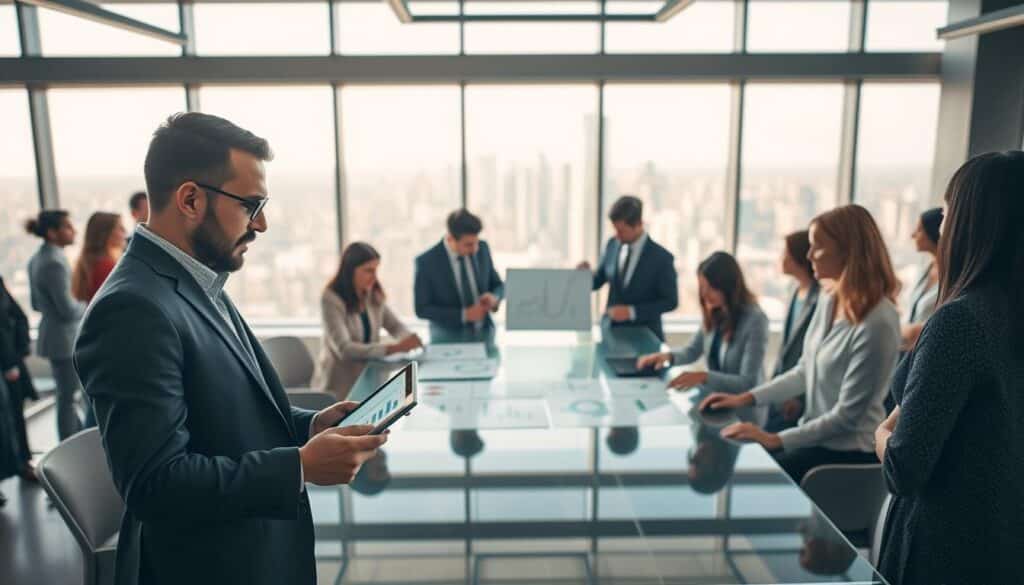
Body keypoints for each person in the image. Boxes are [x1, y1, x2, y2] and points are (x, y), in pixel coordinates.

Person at [74, 112, 386, 585]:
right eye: (251, 204)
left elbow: (222, 418)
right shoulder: (132, 309)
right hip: (208, 565)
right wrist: (298, 467)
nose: (261, 224)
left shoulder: (197, 279)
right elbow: (157, 484)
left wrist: (308, 425)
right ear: (191, 199)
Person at [875, 151, 1024, 584]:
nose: (942, 224)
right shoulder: (1009, 313)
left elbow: (904, 469)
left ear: (975, 223)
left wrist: (881, 433)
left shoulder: (960, 321)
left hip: (942, 553)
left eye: (947, 211)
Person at [700, 205, 901, 484]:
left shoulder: (879, 321)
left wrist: (774, 439)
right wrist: (744, 398)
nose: (808, 256)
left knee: (751, 477)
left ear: (847, 251)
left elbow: (846, 417)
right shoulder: (829, 300)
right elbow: (804, 371)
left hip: (846, 453)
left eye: (817, 248)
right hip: (814, 440)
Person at [637, 252, 768, 396]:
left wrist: (703, 376)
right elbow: (692, 351)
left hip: (743, 412)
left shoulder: (756, 320)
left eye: (710, 288)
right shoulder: (716, 311)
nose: (704, 294)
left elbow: (747, 382)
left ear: (727, 286)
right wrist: (667, 357)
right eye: (702, 287)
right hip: (715, 402)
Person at [312, 242, 422, 399]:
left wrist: (408, 338)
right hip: (341, 386)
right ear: (350, 271)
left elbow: (395, 326)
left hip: (370, 376)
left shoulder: (371, 293)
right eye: (368, 271)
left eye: (376, 270)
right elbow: (345, 349)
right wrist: (395, 348)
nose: (374, 277)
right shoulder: (331, 299)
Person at [578, 195, 677, 341]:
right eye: (615, 230)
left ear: (639, 224)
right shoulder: (612, 245)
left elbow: (670, 301)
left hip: (645, 338)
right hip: (610, 334)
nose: (617, 236)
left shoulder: (662, 258)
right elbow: (598, 281)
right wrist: (585, 276)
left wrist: (632, 312)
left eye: (621, 231)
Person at [25, 210, 88, 441]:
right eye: (67, 227)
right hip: (64, 339)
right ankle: (72, 444)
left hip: (55, 336)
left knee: (67, 395)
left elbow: (35, 304)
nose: (74, 231)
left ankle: (74, 439)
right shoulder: (54, 262)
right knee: (68, 397)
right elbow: (68, 309)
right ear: (52, 233)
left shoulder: (37, 258)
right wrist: (90, 302)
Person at [764, 231, 821, 433]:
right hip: (784, 381)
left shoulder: (821, 297)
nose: (781, 258)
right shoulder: (794, 289)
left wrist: (800, 396)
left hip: (800, 394)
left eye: (785, 253)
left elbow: (814, 354)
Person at [414, 209, 504, 332]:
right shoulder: (426, 262)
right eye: (468, 244)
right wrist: (464, 314)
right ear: (450, 238)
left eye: (476, 242)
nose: (474, 249)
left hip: (485, 332)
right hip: (446, 337)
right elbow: (422, 309)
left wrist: (494, 297)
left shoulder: (482, 248)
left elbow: (498, 284)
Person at [0, 273, 39, 485]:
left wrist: (18, 352)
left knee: (15, 415)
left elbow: (17, 316)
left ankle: (23, 462)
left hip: (9, 359)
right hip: (6, 362)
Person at [899, 207, 943, 352]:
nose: (912, 235)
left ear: (934, 233)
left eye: (919, 231)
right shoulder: (924, 270)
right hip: (905, 349)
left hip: (925, 350)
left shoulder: (952, 279)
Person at [72, 211, 128, 302]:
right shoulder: (105, 266)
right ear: (106, 233)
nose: (125, 231)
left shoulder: (91, 261)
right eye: (120, 228)